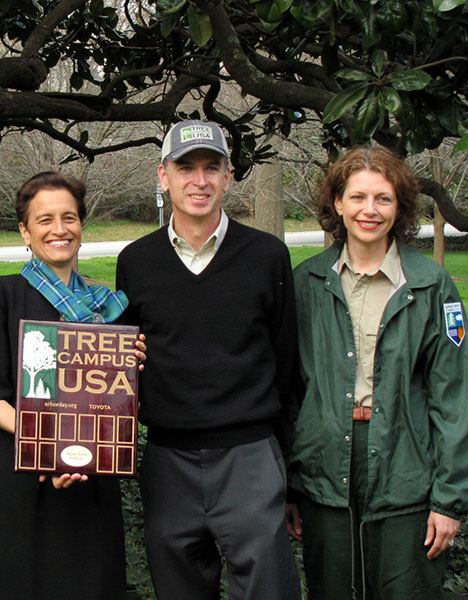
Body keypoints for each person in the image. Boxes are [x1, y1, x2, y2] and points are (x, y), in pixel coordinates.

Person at [287, 146, 468, 599]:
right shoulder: (307, 284)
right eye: (358, 197)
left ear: (400, 207)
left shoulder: (430, 285)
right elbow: (291, 391)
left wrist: (450, 499)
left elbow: (453, 396)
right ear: (337, 203)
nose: (369, 210)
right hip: (324, 471)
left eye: (383, 198)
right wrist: (291, 486)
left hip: (405, 467)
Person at [115, 120, 302, 599]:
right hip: (167, 459)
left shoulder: (267, 256)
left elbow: (285, 366)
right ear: (163, 176)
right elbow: (126, 364)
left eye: (211, 168)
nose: (199, 181)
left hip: (249, 457)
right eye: (186, 168)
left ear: (228, 175)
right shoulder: (135, 261)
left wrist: (289, 471)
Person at [0, 171, 145, 600]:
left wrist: (133, 362)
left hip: (91, 482)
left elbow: (115, 408)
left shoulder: (110, 310)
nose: (59, 229)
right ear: (25, 232)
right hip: (23, 479)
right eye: (44, 220)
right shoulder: (1, 296)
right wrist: (56, 449)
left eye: (69, 217)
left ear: (82, 225)